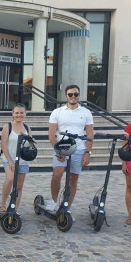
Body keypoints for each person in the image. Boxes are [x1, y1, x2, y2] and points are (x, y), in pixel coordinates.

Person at [47, 84, 94, 213]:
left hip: (78, 149)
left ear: (79, 95)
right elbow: (51, 134)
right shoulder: (57, 112)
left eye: (76, 94)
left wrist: (87, 152)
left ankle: (67, 206)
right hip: (61, 146)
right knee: (57, 174)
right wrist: (58, 151)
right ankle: (54, 201)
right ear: (66, 96)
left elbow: (90, 134)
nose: (73, 97)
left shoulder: (86, 112)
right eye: (70, 94)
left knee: (73, 178)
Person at [0, 103, 33, 213]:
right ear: (13, 114)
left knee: (19, 185)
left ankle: (14, 208)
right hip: (9, 158)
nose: (19, 115)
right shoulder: (7, 127)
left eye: (21, 113)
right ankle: (3, 204)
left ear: (25, 114)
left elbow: (31, 143)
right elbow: (3, 145)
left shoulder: (27, 128)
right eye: (17, 113)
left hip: (23, 160)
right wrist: (10, 161)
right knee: (10, 179)